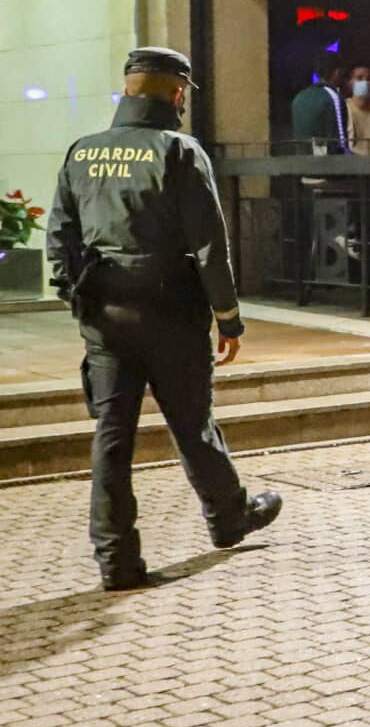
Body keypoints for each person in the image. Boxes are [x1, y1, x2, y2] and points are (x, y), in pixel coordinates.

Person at [46, 47, 282, 590]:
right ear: (177, 94)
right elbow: (209, 245)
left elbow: (59, 235)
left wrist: (77, 299)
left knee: (112, 435)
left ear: (128, 89)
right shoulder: (179, 151)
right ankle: (228, 518)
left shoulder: (82, 151)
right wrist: (228, 317)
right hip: (172, 311)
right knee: (192, 423)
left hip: (105, 312)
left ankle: (116, 561)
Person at [289, 57, 350, 154]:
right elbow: (340, 141)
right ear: (336, 72)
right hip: (327, 162)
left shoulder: (299, 97)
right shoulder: (333, 97)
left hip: (303, 160)